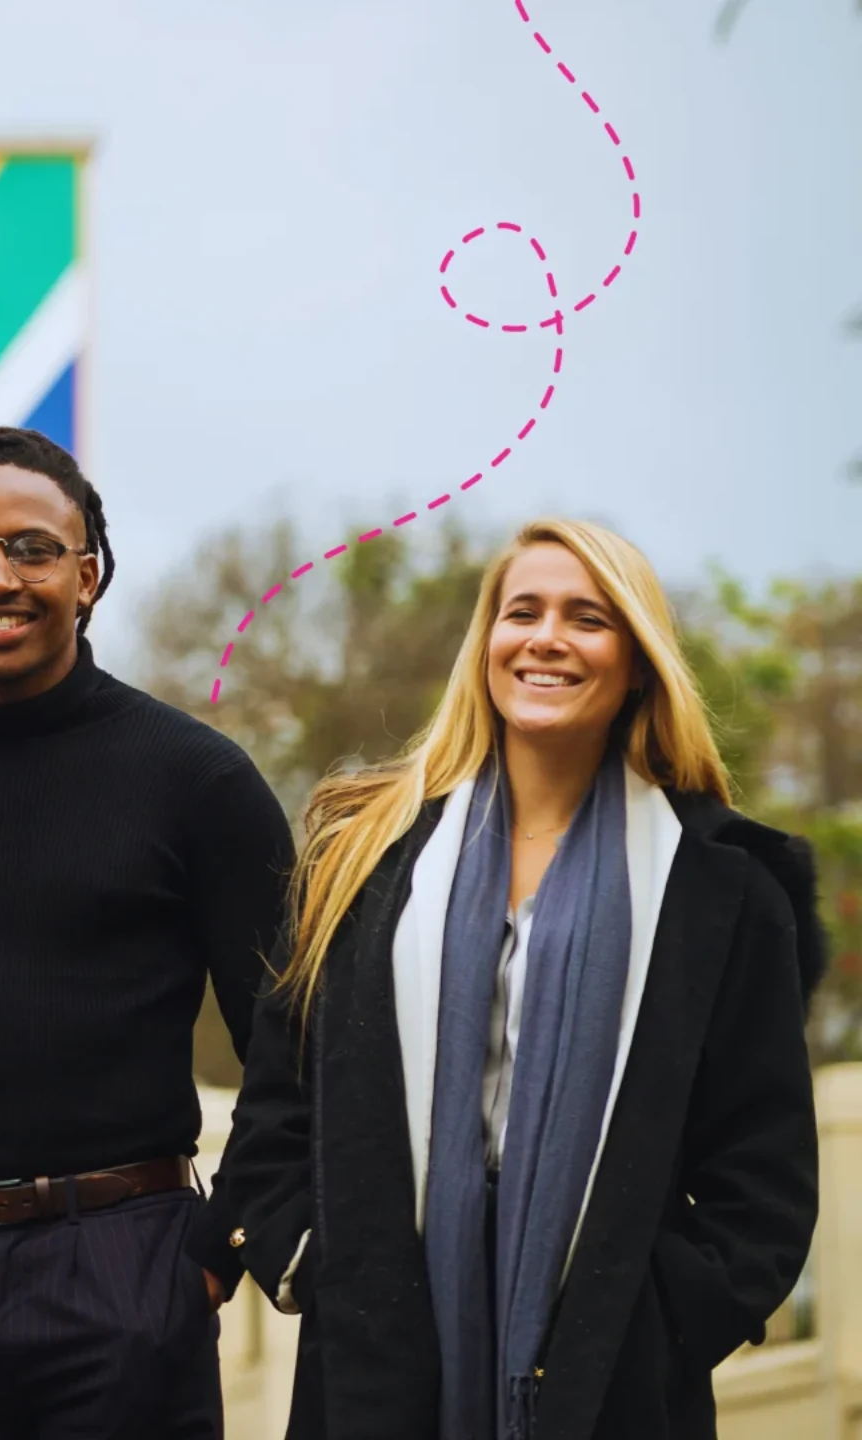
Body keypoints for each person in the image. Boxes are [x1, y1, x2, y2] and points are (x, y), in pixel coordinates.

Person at [221, 517, 822, 1440]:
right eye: (522, 612)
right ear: (487, 644)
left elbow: (762, 1172)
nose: (545, 638)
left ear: (636, 659)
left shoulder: (723, 887)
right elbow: (275, 1102)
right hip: (378, 1363)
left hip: (613, 1376)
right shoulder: (368, 851)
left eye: (588, 618)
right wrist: (318, 1259)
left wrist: (659, 1319)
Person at [0, 426, 294, 1438]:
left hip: (132, 1267)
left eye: (33, 549)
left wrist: (215, 1253)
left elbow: (297, 1040)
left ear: (87, 576)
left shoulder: (198, 783)